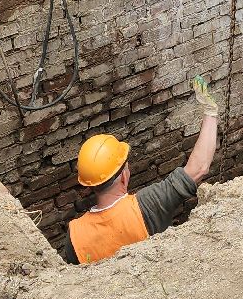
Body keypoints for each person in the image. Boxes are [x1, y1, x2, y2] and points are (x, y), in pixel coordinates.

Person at [67, 76, 220, 264]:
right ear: (124, 175)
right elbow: (199, 168)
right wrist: (210, 112)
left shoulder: (74, 236)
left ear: (89, 185)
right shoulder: (147, 205)